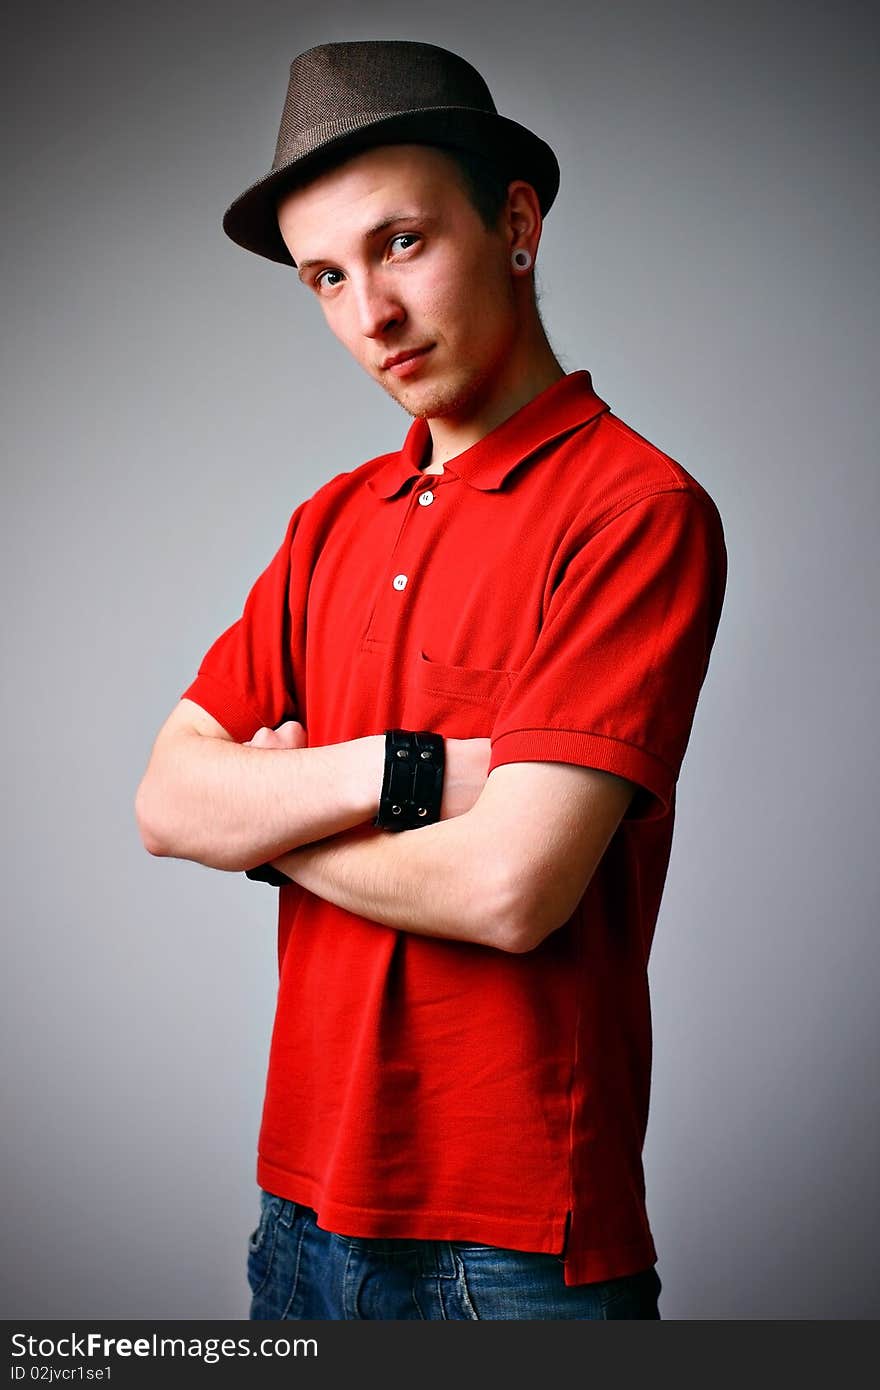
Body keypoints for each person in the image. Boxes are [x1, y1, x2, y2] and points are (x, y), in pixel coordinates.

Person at [135, 39, 727, 1321]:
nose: (369, 317)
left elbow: (512, 888)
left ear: (513, 221)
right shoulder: (330, 520)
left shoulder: (633, 510)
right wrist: (404, 774)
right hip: (296, 1213)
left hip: (509, 1245)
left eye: (400, 244)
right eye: (326, 278)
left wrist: (275, 823)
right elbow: (169, 805)